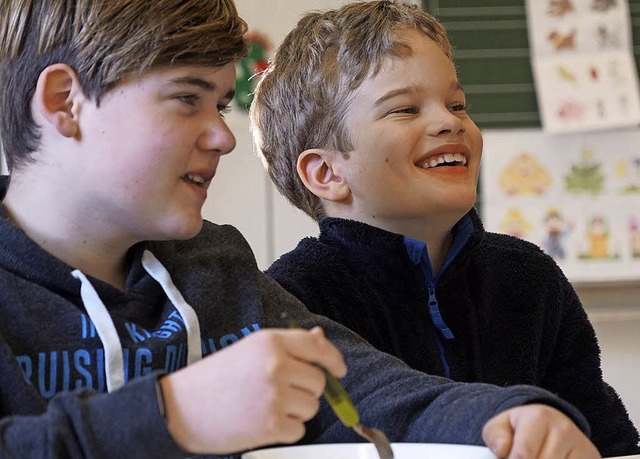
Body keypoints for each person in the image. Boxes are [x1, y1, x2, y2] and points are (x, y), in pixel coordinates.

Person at [0, 0, 603, 458]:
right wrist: (171, 415)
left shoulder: (215, 268)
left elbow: (365, 386)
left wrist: (504, 414)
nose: (224, 137)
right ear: (65, 102)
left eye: (220, 104)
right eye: (188, 99)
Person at [249, 0, 640, 457]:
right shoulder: (293, 298)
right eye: (405, 109)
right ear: (327, 174)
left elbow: (607, 440)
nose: (449, 121)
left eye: (457, 103)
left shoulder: (529, 277)